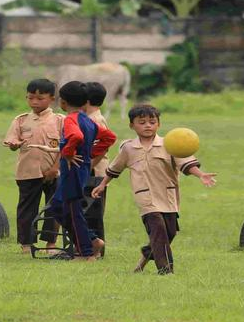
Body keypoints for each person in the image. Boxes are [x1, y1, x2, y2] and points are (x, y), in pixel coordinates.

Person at [91, 104, 217, 274]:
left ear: (159, 124)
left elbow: (185, 164)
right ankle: (166, 270)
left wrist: (200, 174)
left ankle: (146, 254)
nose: (147, 125)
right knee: (158, 230)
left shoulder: (170, 143)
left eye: (152, 121)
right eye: (142, 122)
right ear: (132, 125)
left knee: (169, 233)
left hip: (168, 195)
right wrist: (102, 184)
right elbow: (115, 168)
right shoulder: (128, 148)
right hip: (145, 198)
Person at [30, 81, 116, 261]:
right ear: (86, 103)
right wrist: (89, 154)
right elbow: (109, 138)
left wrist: (68, 154)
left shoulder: (70, 119)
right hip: (81, 170)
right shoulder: (87, 119)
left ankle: (85, 252)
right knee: (58, 207)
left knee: (72, 210)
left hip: (72, 171)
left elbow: (76, 136)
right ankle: (92, 240)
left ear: (62, 102)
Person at [3, 79, 63, 254]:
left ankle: (50, 244)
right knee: (27, 208)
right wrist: (14, 144)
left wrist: (55, 168)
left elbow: (66, 147)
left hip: (54, 172)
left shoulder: (60, 121)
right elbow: (12, 140)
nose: (35, 102)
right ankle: (26, 244)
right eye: (31, 98)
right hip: (27, 171)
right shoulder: (21, 120)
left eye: (40, 98)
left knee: (54, 208)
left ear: (52, 98)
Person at [83, 81, 110, 246]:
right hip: (91, 171)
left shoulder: (95, 120)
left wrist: (88, 167)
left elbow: (101, 149)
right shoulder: (90, 118)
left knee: (93, 212)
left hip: (94, 172)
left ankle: (96, 247)